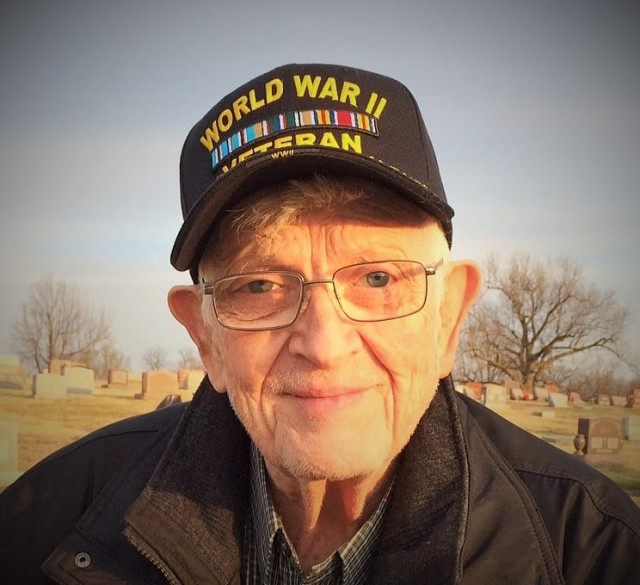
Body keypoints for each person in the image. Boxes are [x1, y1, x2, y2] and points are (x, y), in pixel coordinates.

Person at [1, 63, 639, 585]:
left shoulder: (592, 550)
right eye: (259, 287)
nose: (325, 345)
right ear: (206, 338)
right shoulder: (49, 521)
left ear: (449, 317)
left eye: (379, 279)